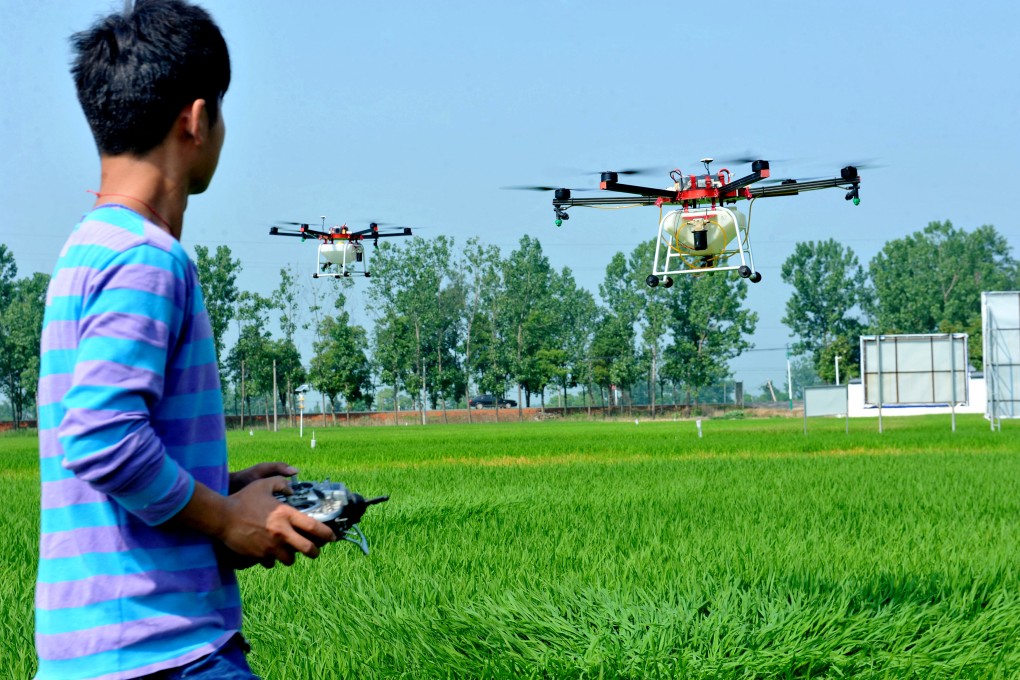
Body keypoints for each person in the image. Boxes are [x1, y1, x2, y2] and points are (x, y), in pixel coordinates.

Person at [35, 2, 336, 678]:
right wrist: (226, 518)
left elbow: (104, 450)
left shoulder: (85, 252)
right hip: (161, 650)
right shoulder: (150, 259)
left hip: (92, 650)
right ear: (195, 120)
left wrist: (220, 485)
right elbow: (102, 438)